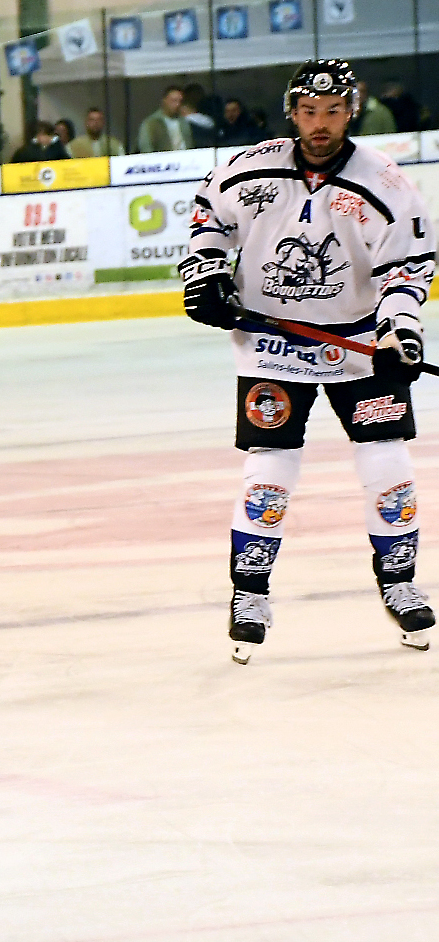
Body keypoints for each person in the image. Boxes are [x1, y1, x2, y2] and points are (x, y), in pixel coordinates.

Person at [179, 59, 436, 663]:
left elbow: (408, 265)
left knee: (387, 460)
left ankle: (399, 582)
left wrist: (401, 333)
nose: (320, 125)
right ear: (292, 111)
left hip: (359, 343)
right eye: (309, 112)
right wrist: (207, 275)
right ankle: (250, 592)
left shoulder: (386, 184)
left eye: (333, 112)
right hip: (274, 344)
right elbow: (208, 219)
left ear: (351, 111)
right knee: (270, 467)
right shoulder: (250, 168)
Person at [137, 86, 189, 153]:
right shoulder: (152, 123)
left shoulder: (184, 122)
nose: (177, 104)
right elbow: (146, 148)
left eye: (180, 101)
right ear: (164, 101)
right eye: (174, 101)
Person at [180, 82, 218, 147]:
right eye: (193, 95)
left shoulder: (208, 108)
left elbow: (211, 124)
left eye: (198, 94)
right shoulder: (180, 112)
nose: (195, 97)